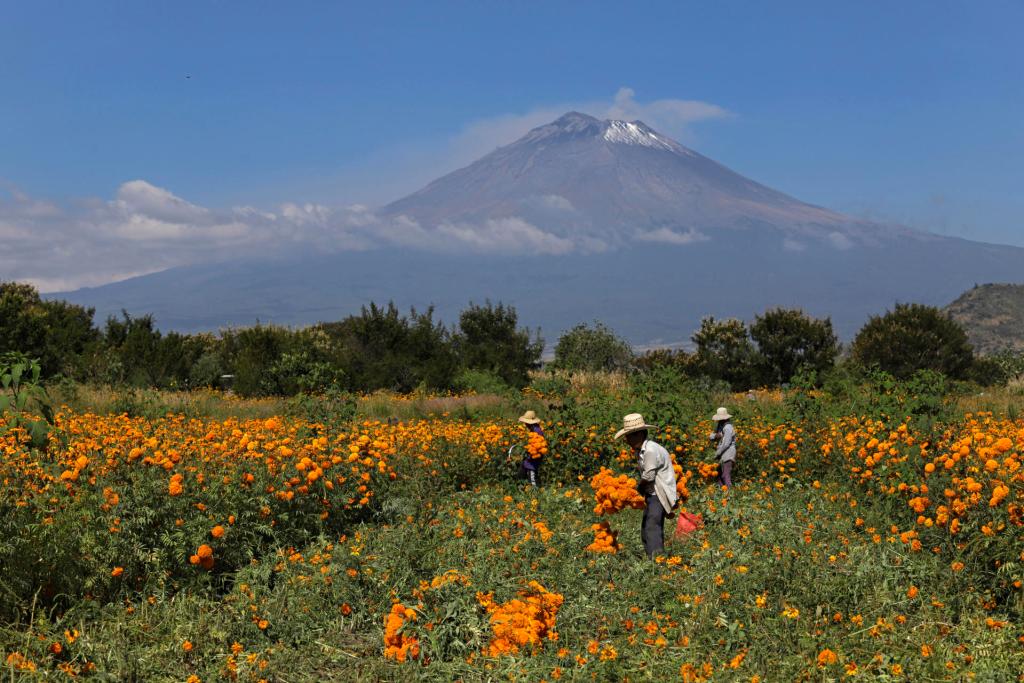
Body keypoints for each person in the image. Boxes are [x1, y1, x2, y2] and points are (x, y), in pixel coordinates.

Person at [615, 413, 678, 560]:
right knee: (646, 528)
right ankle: (652, 558)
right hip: (652, 494)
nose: (626, 440)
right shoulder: (642, 450)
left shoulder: (650, 450)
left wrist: (635, 492)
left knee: (652, 528)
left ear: (640, 434)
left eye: (629, 436)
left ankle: (658, 561)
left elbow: (649, 477)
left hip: (658, 494)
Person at [709, 407, 736, 489]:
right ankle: (722, 492)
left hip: (728, 453)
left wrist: (717, 453)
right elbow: (716, 435)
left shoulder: (728, 427)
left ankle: (730, 493)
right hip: (723, 453)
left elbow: (726, 444)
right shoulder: (722, 426)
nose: (718, 420)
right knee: (719, 475)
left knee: (725, 475)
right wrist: (714, 436)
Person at [517, 410, 545, 487]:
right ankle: (522, 488)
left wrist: (530, 452)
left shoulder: (537, 431)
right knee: (522, 472)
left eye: (526, 422)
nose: (525, 424)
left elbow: (538, 447)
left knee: (531, 472)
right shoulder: (533, 429)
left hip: (534, 457)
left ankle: (535, 492)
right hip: (530, 456)